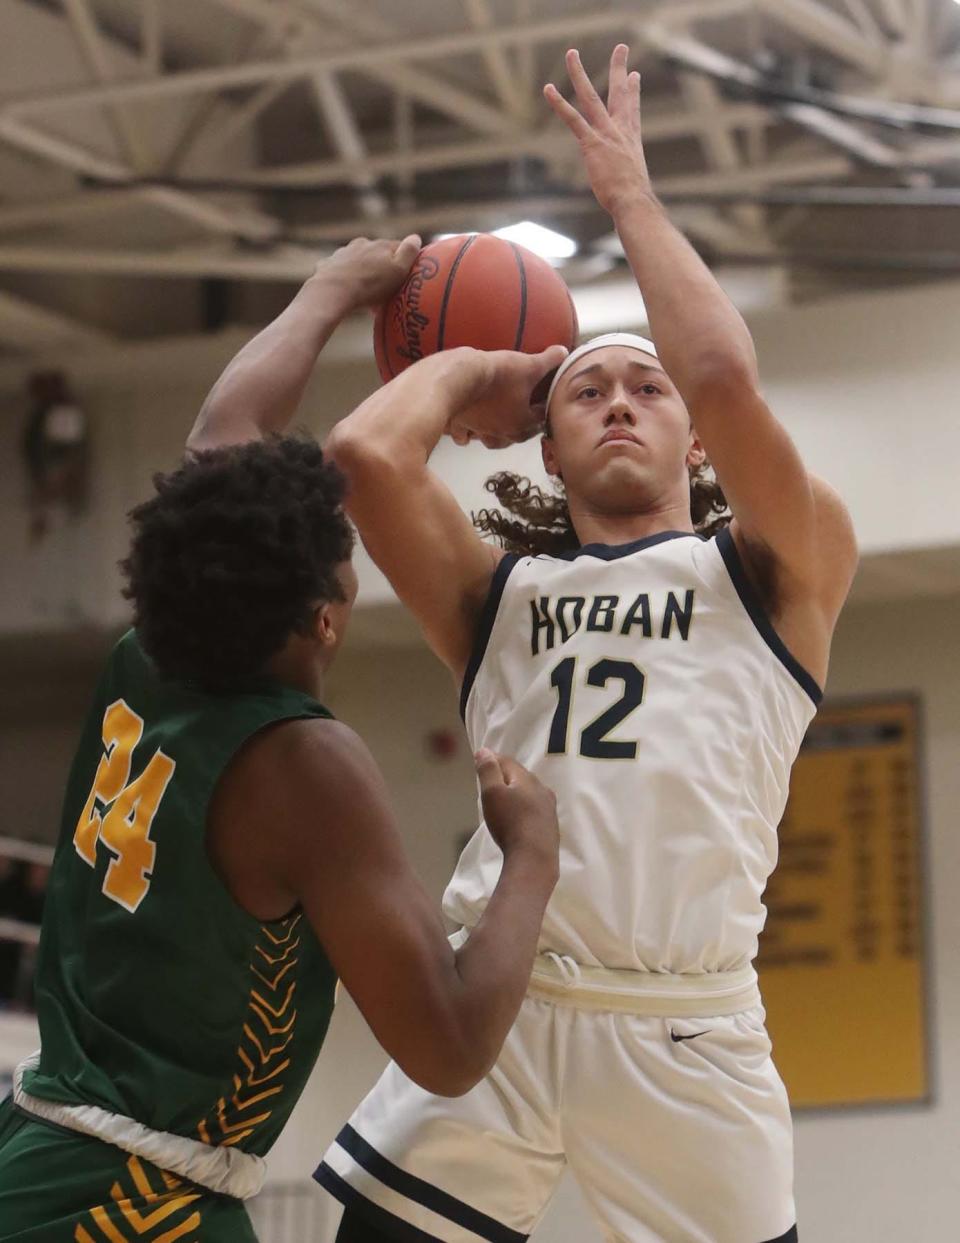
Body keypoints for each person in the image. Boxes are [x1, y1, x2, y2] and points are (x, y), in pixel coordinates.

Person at [314, 46, 858, 1243]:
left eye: (647, 390)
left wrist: (630, 198)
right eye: (586, 391)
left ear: (701, 441)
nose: (620, 398)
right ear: (545, 449)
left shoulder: (780, 564)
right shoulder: (493, 592)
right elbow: (360, 457)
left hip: (684, 1023)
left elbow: (720, 369)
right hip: (501, 1001)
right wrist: (486, 367)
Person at [0, 240, 562, 1242]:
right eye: (343, 560)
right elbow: (448, 1042)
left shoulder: (156, 641)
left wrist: (337, 288)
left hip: (43, 1151)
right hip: (136, 1204)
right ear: (324, 621)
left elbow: (225, 437)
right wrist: (531, 853)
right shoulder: (306, 764)